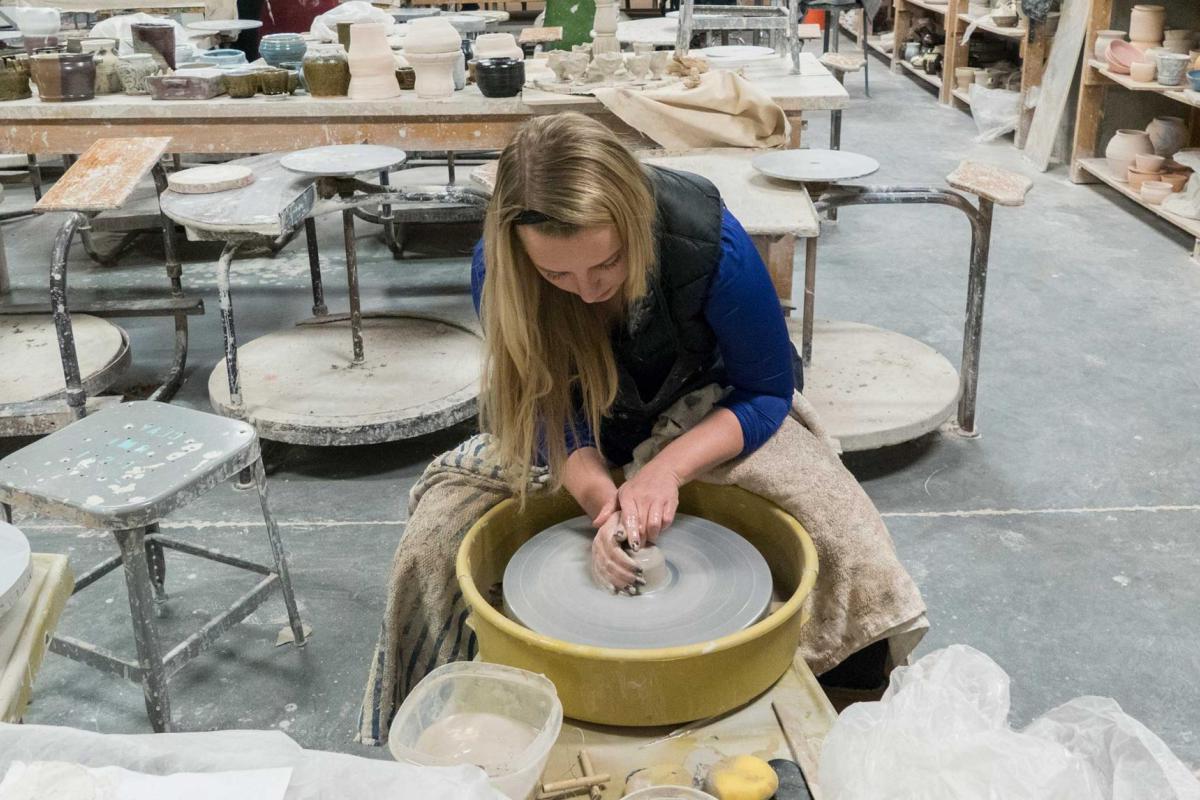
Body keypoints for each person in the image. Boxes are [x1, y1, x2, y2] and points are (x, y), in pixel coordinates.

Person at [358, 112, 926, 745]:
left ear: (633, 221)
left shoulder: (709, 243)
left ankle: (849, 723)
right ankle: (444, 733)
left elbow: (766, 390)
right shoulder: (501, 270)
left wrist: (665, 469)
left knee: (845, 534)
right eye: (557, 276)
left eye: (606, 264)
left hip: (703, 406)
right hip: (580, 420)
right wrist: (600, 499)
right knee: (433, 540)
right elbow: (540, 401)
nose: (587, 290)